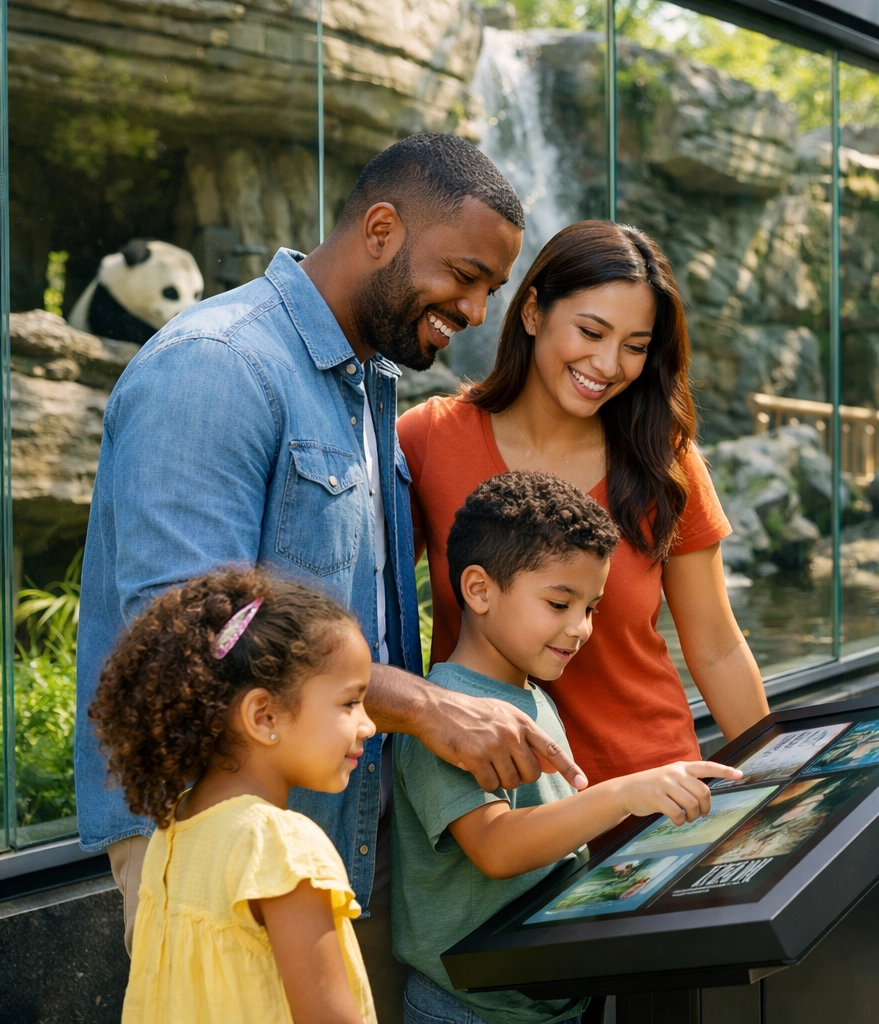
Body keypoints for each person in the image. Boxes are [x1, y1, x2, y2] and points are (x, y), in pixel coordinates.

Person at [75, 133, 585, 1022]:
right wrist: (424, 705)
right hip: (222, 840)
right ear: (381, 228)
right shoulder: (216, 367)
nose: (474, 310)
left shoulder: (366, 388)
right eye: (465, 275)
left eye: (491, 291)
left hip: (339, 826)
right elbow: (185, 631)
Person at [399, 221, 769, 790]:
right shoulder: (429, 439)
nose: (608, 364)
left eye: (635, 347)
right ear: (531, 313)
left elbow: (717, 647)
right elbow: (373, 612)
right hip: (498, 807)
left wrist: (781, 782)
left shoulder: (662, 460)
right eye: (591, 332)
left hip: (653, 797)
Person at [391, 472, 739, 1024]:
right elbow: (497, 847)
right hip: (469, 1010)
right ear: (479, 589)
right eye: (559, 603)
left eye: (592, 608)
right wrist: (623, 795)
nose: (580, 629)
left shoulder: (535, 696)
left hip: (546, 1003)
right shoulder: (448, 714)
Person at [91, 569, 379, 1024]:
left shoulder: (174, 831)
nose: (369, 724)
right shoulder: (281, 847)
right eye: (349, 703)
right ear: (264, 716)